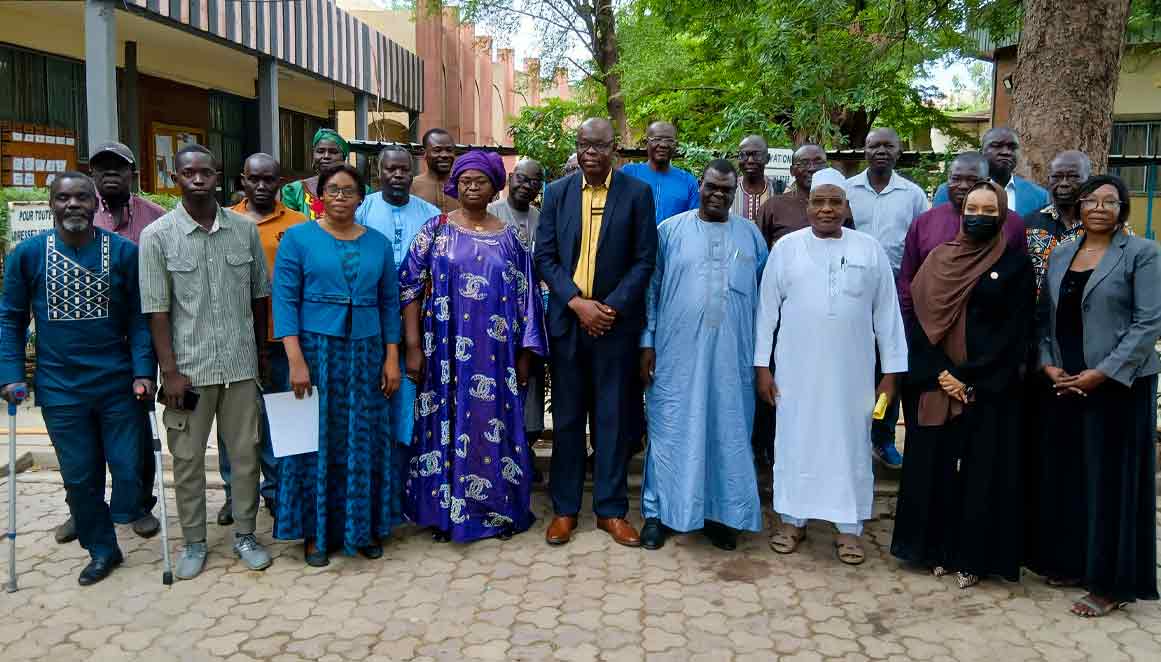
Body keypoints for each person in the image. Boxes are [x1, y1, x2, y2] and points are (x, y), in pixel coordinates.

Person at [0, 173, 155, 586]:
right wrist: (12, 374)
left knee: (126, 470)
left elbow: (141, 318)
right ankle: (102, 548)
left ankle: (120, 516)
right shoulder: (28, 256)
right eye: (63, 198)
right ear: (51, 203)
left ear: (94, 203)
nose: (73, 205)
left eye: (81, 198)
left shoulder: (123, 253)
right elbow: (11, 318)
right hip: (60, 387)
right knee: (81, 477)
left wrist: (143, 371)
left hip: (118, 384)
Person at [755, 168, 906, 566]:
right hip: (795, 374)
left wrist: (891, 376)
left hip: (852, 376)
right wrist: (761, 368)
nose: (826, 209)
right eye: (819, 201)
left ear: (846, 206)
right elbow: (765, 314)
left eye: (834, 202)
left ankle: (850, 528)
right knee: (794, 443)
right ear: (807, 206)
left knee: (851, 445)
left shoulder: (868, 249)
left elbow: (888, 317)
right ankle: (792, 520)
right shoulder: (786, 249)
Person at [890, 181, 1034, 589]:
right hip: (935, 383)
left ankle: (973, 557)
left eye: (990, 211)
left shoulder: (1014, 265)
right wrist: (940, 372)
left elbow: (1015, 332)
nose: (980, 217)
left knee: (980, 473)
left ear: (1003, 216)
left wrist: (969, 377)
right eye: (973, 208)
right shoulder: (938, 259)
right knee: (934, 469)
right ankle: (932, 548)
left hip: (987, 387)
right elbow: (917, 321)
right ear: (961, 210)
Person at [398, 150, 547, 543]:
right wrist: (413, 346)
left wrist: (525, 358)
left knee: (490, 428)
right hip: (444, 354)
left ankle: (496, 511)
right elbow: (409, 289)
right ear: (455, 185)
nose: (471, 186)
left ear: (495, 185)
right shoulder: (435, 230)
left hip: (497, 359)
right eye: (465, 181)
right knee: (446, 426)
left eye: (480, 180)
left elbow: (527, 299)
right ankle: (445, 514)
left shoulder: (512, 239)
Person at [138, 144, 272, 580]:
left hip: (239, 367)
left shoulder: (243, 230)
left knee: (246, 456)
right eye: (188, 173)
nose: (198, 179)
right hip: (188, 374)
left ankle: (246, 535)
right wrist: (170, 373)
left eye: (206, 172)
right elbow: (157, 312)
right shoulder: (157, 237)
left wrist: (260, 355)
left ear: (219, 176)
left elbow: (259, 300)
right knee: (189, 460)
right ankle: (194, 542)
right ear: (175, 177)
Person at [1032, 175, 1161, 617]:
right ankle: (1073, 563)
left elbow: (1148, 324)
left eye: (1111, 201)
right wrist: (1049, 363)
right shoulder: (1063, 253)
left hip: (1119, 387)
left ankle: (1112, 584)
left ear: (1123, 208)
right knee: (1072, 478)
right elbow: (1046, 316)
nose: (1100, 207)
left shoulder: (1143, 254)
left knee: (1111, 485)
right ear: (1080, 207)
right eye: (1092, 200)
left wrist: (1102, 373)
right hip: (1066, 384)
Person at [272, 164, 403, 565]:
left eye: (348, 191)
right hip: (316, 352)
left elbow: (389, 304)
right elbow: (285, 300)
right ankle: (316, 534)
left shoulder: (379, 244)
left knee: (364, 438)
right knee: (316, 441)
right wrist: (294, 358)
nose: (340, 198)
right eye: (333, 191)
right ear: (320, 197)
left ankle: (363, 528)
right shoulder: (297, 239)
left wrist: (392, 357)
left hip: (366, 353)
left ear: (361, 198)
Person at [535, 118, 658, 547]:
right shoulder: (558, 193)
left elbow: (645, 261)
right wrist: (576, 302)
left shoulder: (637, 194)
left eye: (600, 145)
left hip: (613, 326)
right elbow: (545, 256)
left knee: (612, 419)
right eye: (584, 145)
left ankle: (610, 510)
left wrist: (609, 308)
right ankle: (565, 510)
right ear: (577, 147)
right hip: (569, 323)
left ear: (614, 150)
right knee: (568, 419)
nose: (591, 152)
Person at [638, 159, 768, 551]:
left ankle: (720, 515)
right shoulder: (669, 232)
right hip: (676, 355)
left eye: (726, 190)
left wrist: (762, 357)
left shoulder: (751, 237)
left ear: (734, 193)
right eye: (712, 187)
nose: (718, 195)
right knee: (670, 429)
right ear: (700, 185)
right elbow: (651, 291)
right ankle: (657, 514)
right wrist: (647, 342)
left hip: (733, 358)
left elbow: (766, 302)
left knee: (727, 431)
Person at [46, 142, 164, 546]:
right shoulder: (77, 212)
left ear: (133, 174)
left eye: (119, 167)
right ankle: (84, 510)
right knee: (80, 444)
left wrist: (147, 363)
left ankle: (138, 505)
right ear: (92, 175)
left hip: (137, 342)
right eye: (102, 168)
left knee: (135, 440)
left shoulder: (154, 217)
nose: (110, 174)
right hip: (83, 351)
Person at [213, 153, 305, 526]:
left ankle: (279, 492)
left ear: (280, 182)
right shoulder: (223, 221)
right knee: (234, 423)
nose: (262, 186)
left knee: (282, 419)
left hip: (283, 341)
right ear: (243, 180)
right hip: (234, 340)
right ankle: (234, 493)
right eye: (255, 179)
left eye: (270, 180)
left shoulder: (298, 225)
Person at [846, 127, 929, 470]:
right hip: (851, 289)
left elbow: (922, 242)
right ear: (863, 150)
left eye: (888, 146)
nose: (880, 150)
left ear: (899, 151)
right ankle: (850, 439)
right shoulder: (847, 190)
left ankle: (882, 438)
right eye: (873, 145)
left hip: (896, 291)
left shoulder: (912, 195)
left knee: (889, 365)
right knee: (851, 364)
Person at [356, 145, 440, 469]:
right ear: (379, 173)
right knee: (375, 400)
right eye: (390, 169)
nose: (397, 175)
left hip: (419, 325)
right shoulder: (363, 210)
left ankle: (406, 480)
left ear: (412, 172)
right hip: (372, 324)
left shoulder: (430, 215)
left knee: (410, 403)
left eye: (403, 169)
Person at [897, 152, 1026, 321]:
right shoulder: (924, 223)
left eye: (972, 180)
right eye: (955, 178)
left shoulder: (1011, 223)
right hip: (931, 326)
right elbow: (907, 280)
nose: (963, 186)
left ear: (987, 182)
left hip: (991, 325)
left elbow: (1020, 282)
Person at [488, 159, 548, 452]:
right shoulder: (491, 213)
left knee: (530, 384)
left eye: (534, 182)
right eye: (522, 179)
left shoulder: (541, 218)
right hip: (495, 313)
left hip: (531, 315)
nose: (526, 186)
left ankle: (525, 451)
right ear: (510, 178)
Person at [933, 127, 1050, 218]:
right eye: (996, 146)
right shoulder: (949, 191)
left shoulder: (1039, 196)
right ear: (981, 151)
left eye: (1012, 147)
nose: (1006, 152)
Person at [1023, 150, 1093, 292]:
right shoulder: (1028, 224)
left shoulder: (1105, 226)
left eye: (1073, 177)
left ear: (1089, 179)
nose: (1064, 183)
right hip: (1039, 312)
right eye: (1057, 177)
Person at [755, 144, 838, 248]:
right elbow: (759, 251)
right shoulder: (772, 207)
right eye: (804, 163)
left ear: (827, 167)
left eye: (818, 162)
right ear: (792, 171)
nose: (812, 168)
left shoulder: (839, 205)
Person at [621, 121, 699, 224]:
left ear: (675, 145)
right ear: (646, 142)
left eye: (669, 140)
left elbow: (693, 221)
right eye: (657, 139)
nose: (663, 144)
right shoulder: (628, 173)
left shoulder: (688, 181)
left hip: (673, 240)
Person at [280, 128, 351, 220]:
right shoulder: (294, 190)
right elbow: (287, 226)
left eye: (333, 152)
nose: (326, 156)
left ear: (343, 157)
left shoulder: (361, 191)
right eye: (320, 151)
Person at [731, 135, 783, 221]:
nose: (750, 160)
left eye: (757, 155)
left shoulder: (782, 190)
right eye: (744, 155)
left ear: (767, 158)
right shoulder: (728, 189)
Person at [411, 128, 459, 213]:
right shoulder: (411, 186)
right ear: (424, 153)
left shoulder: (463, 185)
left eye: (449, 150)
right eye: (437, 150)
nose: (445, 155)